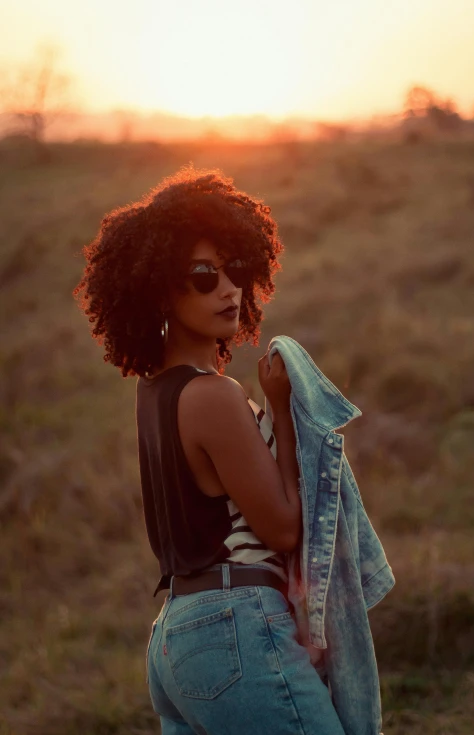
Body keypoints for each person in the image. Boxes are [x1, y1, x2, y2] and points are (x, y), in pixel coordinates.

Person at [73, 164, 346, 734]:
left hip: (177, 639)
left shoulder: (156, 393)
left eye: (235, 270)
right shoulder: (214, 397)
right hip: (234, 628)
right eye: (202, 275)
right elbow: (285, 530)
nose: (227, 289)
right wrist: (281, 414)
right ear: (159, 288)